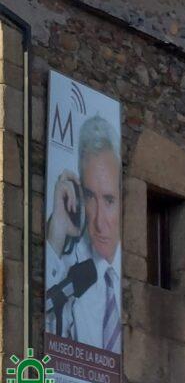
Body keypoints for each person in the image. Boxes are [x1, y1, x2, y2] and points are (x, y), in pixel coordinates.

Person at [45, 114, 122, 352]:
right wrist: (56, 234)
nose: (99, 221)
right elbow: (37, 336)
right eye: (90, 197)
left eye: (109, 200)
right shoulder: (71, 273)